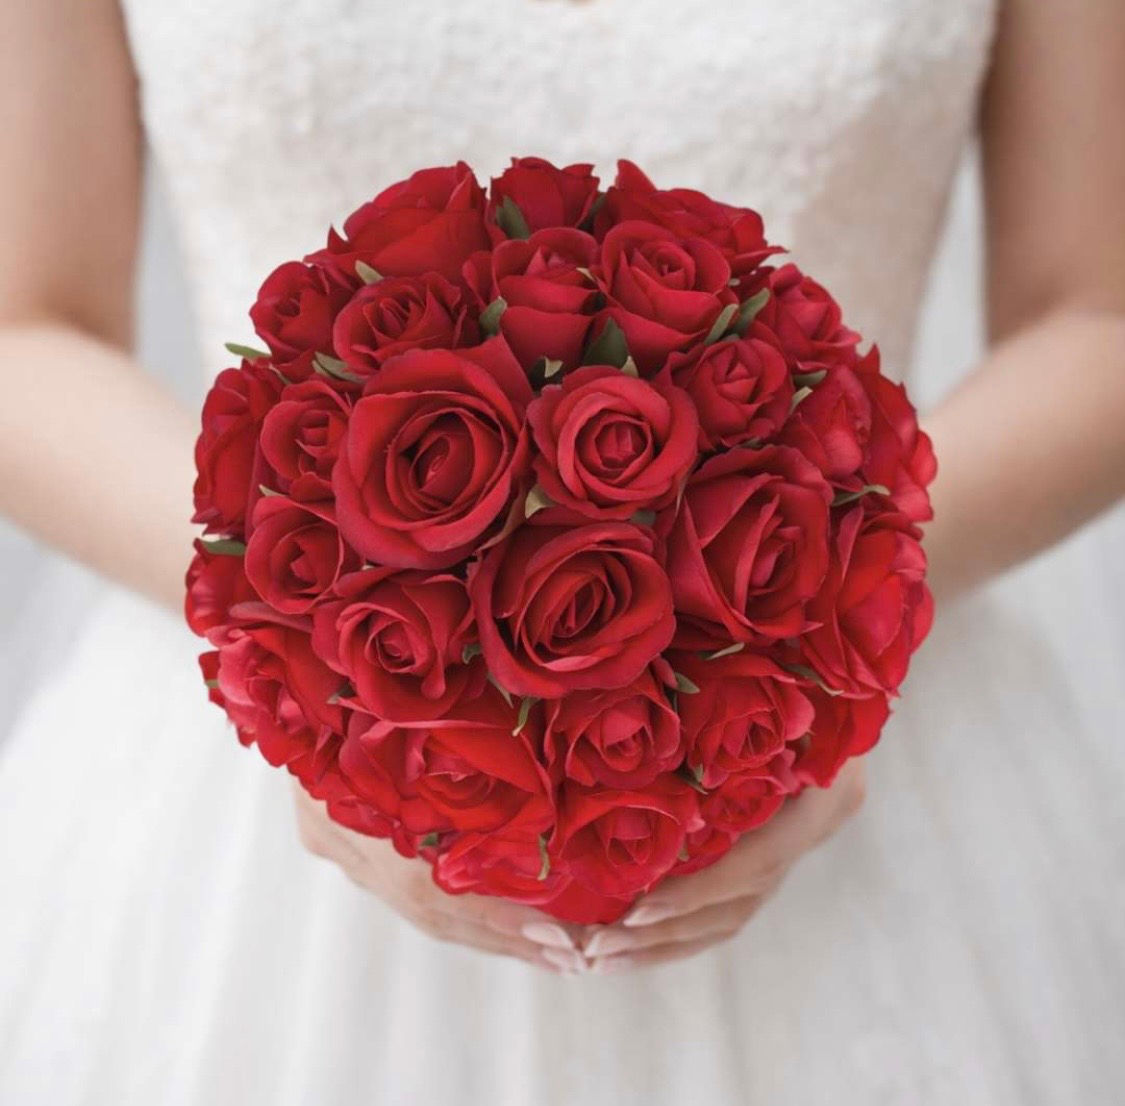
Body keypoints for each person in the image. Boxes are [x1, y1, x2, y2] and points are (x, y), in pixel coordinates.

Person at [1, 1, 1123, 1103]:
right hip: (246, 774)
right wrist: (311, 666)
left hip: (860, 748)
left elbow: (1097, 320)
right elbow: (25, 331)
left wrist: (823, 651)